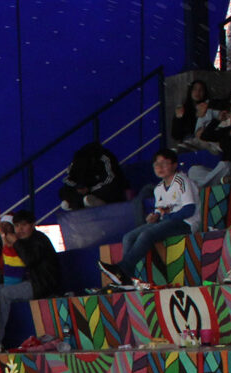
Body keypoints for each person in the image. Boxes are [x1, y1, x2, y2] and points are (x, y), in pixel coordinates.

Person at [100, 150, 200, 285]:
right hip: (167, 223)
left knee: (147, 234)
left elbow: (189, 209)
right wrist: (154, 217)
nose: (160, 167)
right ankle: (125, 279)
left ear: (174, 165)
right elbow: (160, 212)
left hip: (185, 223)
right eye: (156, 164)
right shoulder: (158, 188)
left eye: (164, 163)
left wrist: (167, 217)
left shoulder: (182, 181)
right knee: (128, 237)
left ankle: (122, 269)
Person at [0, 211, 61, 337]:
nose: (20, 229)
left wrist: (16, 243)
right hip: (26, 281)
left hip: (41, 284)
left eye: (24, 225)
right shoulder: (22, 241)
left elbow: (30, 260)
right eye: (17, 226)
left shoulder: (39, 239)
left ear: (33, 225)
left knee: (4, 294)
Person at [58, 142, 128, 210]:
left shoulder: (105, 158)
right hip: (87, 191)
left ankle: (82, 202)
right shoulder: (78, 160)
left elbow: (111, 179)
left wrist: (89, 189)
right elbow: (68, 179)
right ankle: (80, 202)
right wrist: (78, 187)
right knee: (63, 191)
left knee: (110, 189)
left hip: (105, 187)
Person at [171, 80, 220, 148]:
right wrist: (178, 118)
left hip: (207, 143)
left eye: (201, 90)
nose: (197, 92)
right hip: (188, 143)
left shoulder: (210, 109)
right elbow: (175, 135)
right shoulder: (183, 109)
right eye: (195, 89)